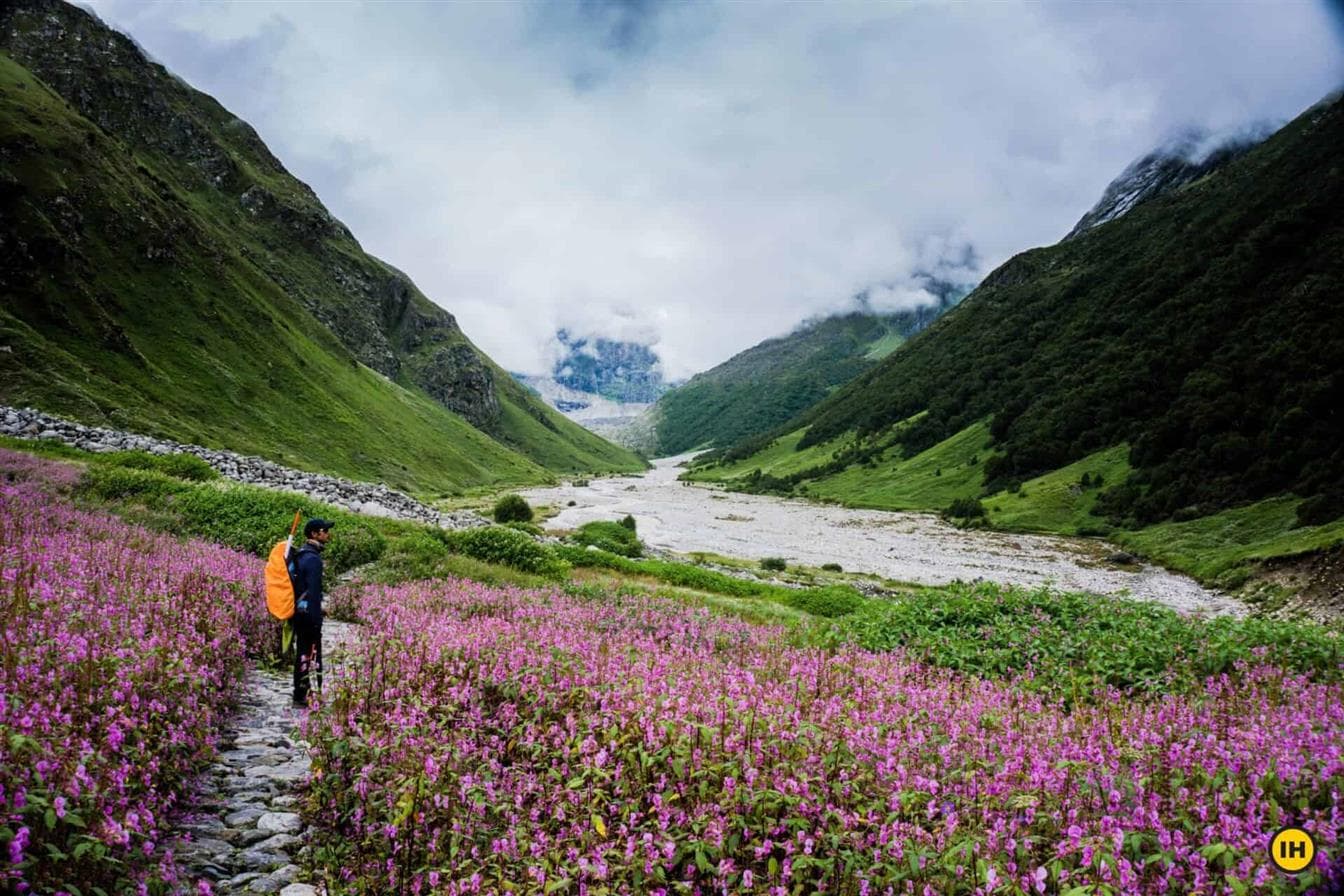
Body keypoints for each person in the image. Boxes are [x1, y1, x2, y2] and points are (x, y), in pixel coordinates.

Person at [292, 518, 334, 707]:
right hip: (309, 615)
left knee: (302, 652)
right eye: (324, 531)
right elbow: (314, 591)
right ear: (315, 534)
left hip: (299, 612)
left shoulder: (301, 554)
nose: (328, 534)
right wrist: (317, 616)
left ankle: (301, 691)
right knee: (310, 654)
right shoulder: (313, 559)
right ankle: (304, 695)